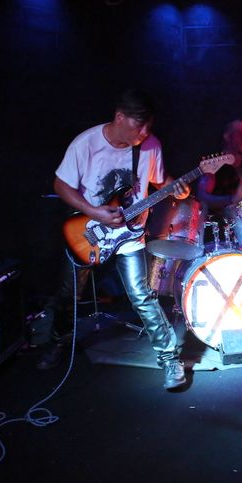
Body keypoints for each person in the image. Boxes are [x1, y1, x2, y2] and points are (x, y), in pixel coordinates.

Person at [37, 89, 190, 391]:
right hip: (89, 232)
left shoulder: (150, 146)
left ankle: (169, 357)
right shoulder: (86, 144)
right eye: (138, 126)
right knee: (69, 295)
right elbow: (61, 185)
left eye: (148, 127)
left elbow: (159, 180)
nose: (144, 133)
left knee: (142, 295)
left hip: (131, 235)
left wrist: (177, 187)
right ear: (120, 117)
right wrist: (95, 212)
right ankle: (58, 342)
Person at [195, 119, 242, 211]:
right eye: (239, 134)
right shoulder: (213, 163)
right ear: (227, 137)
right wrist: (230, 200)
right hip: (218, 218)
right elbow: (202, 197)